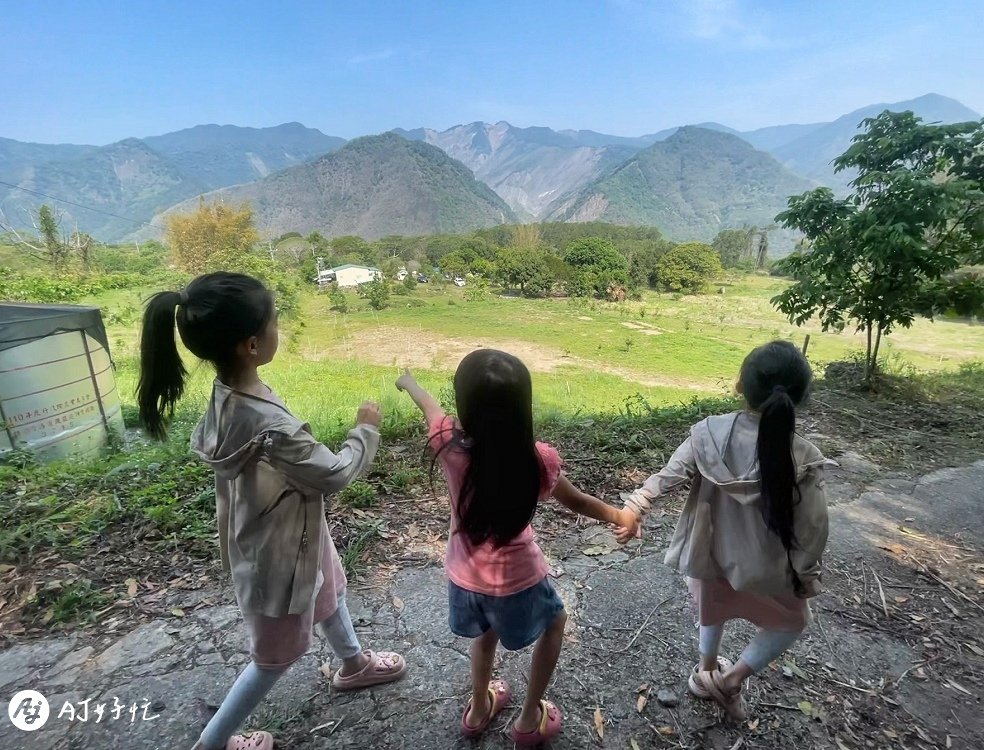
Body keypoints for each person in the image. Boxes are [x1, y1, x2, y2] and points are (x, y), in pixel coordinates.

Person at [138, 272, 406, 750]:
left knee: (329, 588)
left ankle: (353, 664)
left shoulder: (229, 396)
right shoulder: (272, 425)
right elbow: (334, 473)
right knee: (273, 656)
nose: (280, 328)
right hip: (278, 556)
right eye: (275, 322)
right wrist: (364, 431)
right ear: (252, 345)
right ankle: (213, 742)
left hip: (291, 531)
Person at [396, 349, 627, 745]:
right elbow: (578, 502)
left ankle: (480, 708)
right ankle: (528, 719)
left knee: (484, 633)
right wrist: (620, 517)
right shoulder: (538, 459)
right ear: (523, 407)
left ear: (465, 405)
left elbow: (429, 407)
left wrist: (410, 382)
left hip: (465, 576)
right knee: (554, 623)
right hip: (518, 578)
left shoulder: (448, 446)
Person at [616, 340, 830, 721]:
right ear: (799, 399)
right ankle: (730, 681)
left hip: (709, 555)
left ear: (739, 386)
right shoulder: (803, 455)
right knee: (793, 621)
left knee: (711, 608)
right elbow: (813, 528)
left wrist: (634, 506)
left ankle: (706, 670)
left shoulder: (708, 434)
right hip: (768, 569)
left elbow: (669, 475)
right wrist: (805, 574)